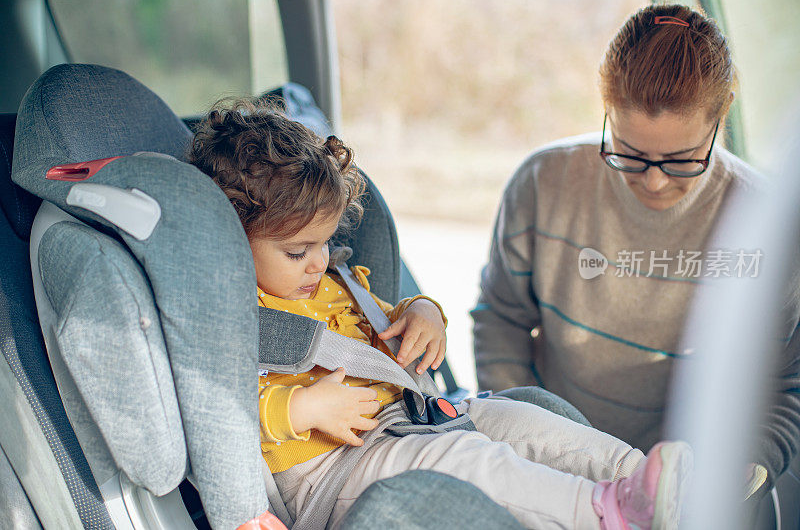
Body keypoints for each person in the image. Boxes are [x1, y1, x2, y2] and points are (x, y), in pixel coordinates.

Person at [188, 99, 692, 530]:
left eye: (324, 243)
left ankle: (651, 483)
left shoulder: (328, 283)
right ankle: (604, 513)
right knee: (465, 462)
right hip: (333, 471)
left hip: (411, 420)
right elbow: (215, 415)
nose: (319, 262)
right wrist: (304, 409)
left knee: (524, 422)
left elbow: (390, 318)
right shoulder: (233, 317)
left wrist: (424, 313)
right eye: (298, 251)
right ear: (232, 239)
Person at [472, 3, 800, 498]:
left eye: (682, 159)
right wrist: (530, 435)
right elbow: (500, 319)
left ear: (722, 115)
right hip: (552, 466)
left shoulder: (772, 228)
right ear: (606, 108)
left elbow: (785, 387)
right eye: (629, 152)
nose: (653, 180)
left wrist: (743, 471)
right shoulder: (542, 183)